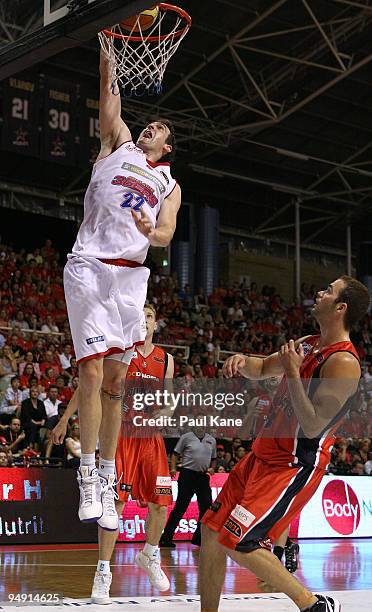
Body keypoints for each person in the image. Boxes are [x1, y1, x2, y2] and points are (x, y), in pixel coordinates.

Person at [199, 276, 370, 612]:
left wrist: (293, 375)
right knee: (210, 531)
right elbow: (262, 367)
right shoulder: (307, 343)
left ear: (341, 307)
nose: (319, 292)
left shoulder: (343, 362)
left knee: (240, 540)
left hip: (293, 464)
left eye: (328, 291)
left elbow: (312, 425)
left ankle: (312, 605)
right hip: (262, 454)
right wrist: (240, 359)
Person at [63, 49, 181, 529]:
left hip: (131, 277)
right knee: (91, 374)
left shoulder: (168, 183)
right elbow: (108, 97)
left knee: (116, 386)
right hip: (90, 264)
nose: (148, 127)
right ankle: (88, 475)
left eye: (158, 129)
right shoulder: (120, 143)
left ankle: (109, 479)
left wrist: (149, 232)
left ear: (167, 148)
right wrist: (110, 52)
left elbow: (167, 233)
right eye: (148, 123)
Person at [53, 304, 174, 604]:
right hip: (120, 436)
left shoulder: (166, 360)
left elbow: (169, 399)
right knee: (114, 504)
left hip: (151, 438)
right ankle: (102, 574)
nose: (144, 321)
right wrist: (65, 418)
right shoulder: (121, 351)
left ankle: (150, 554)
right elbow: (89, 387)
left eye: (149, 317)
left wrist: (167, 411)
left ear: (156, 325)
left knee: (161, 504)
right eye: (141, 316)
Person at [160, 422, 216, 548]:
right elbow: (175, 454)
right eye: (198, 423)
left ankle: (199, 538)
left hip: (203, 476)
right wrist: (173, 468)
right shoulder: (186, 437)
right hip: (187, 474)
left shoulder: (211, 440)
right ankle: (166, 538)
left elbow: (214, 459)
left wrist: (212, 468)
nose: (200, 426)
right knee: (180, 507)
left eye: (203, 423)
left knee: (207, 507)